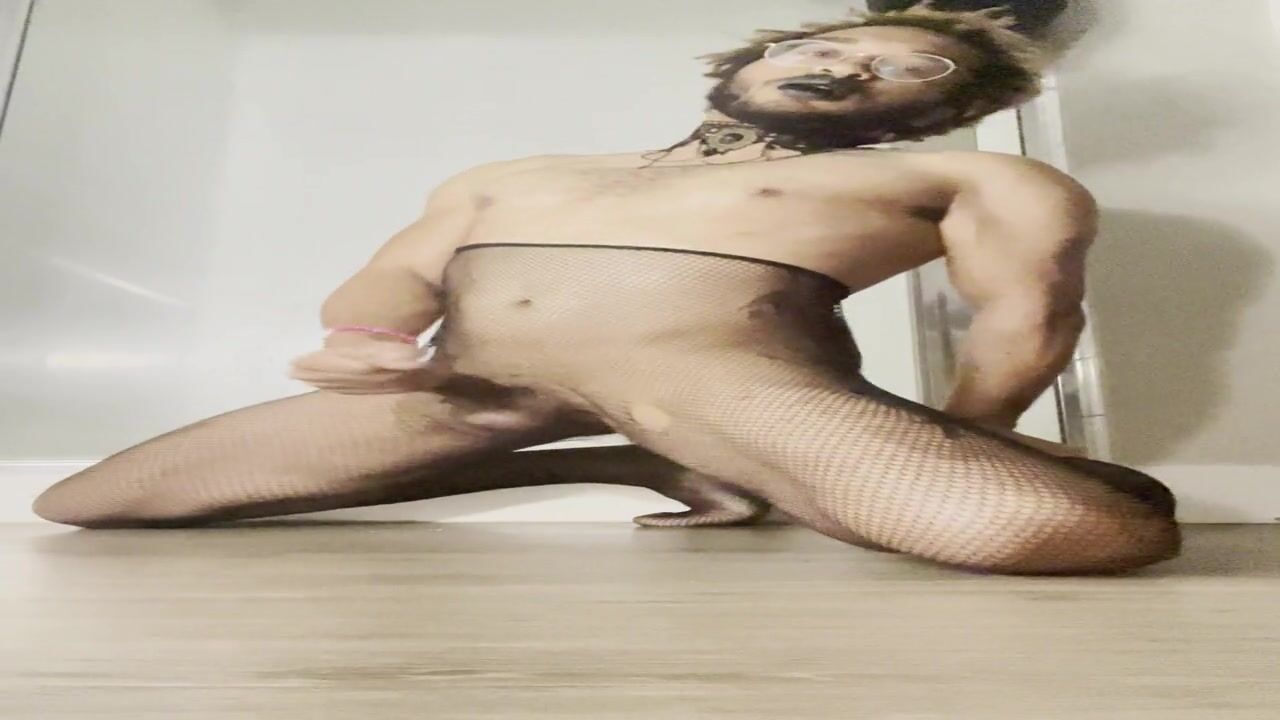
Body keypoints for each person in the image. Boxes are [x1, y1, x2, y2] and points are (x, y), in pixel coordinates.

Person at [32, 5, 1180, 575]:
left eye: (909, 65)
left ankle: (708, 449)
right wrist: (364, 334)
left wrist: (962, 442)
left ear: (941, 108)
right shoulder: (515, 174)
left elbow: (1027, 315)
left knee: (1079, 534)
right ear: (750, 60)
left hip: (721, 384)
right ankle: (622, 457)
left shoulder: (969, 177)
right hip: (478, 387)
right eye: (826, 42)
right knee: (90, 501)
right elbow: (400, 269)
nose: (849, 61)